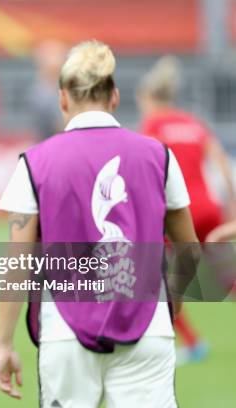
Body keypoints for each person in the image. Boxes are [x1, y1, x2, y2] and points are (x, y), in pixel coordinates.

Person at [0, 40, 200, 407]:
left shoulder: (34, 163)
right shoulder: (159, 156)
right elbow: (190, 252)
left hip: (65, 333)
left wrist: (4, 343)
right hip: (148, 329)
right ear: (115, 97)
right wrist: (173, 304)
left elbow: (18, 263)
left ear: (62, 100)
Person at [137, 56, 235, 362]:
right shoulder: (194, 122)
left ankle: (193, 344)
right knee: (227, 277)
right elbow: (220, 162)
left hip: (177, 212)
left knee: (155, 279)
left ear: (148, 98)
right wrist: (230, 205)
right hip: (209, 208)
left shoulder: (152, 124)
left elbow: (145, 170)